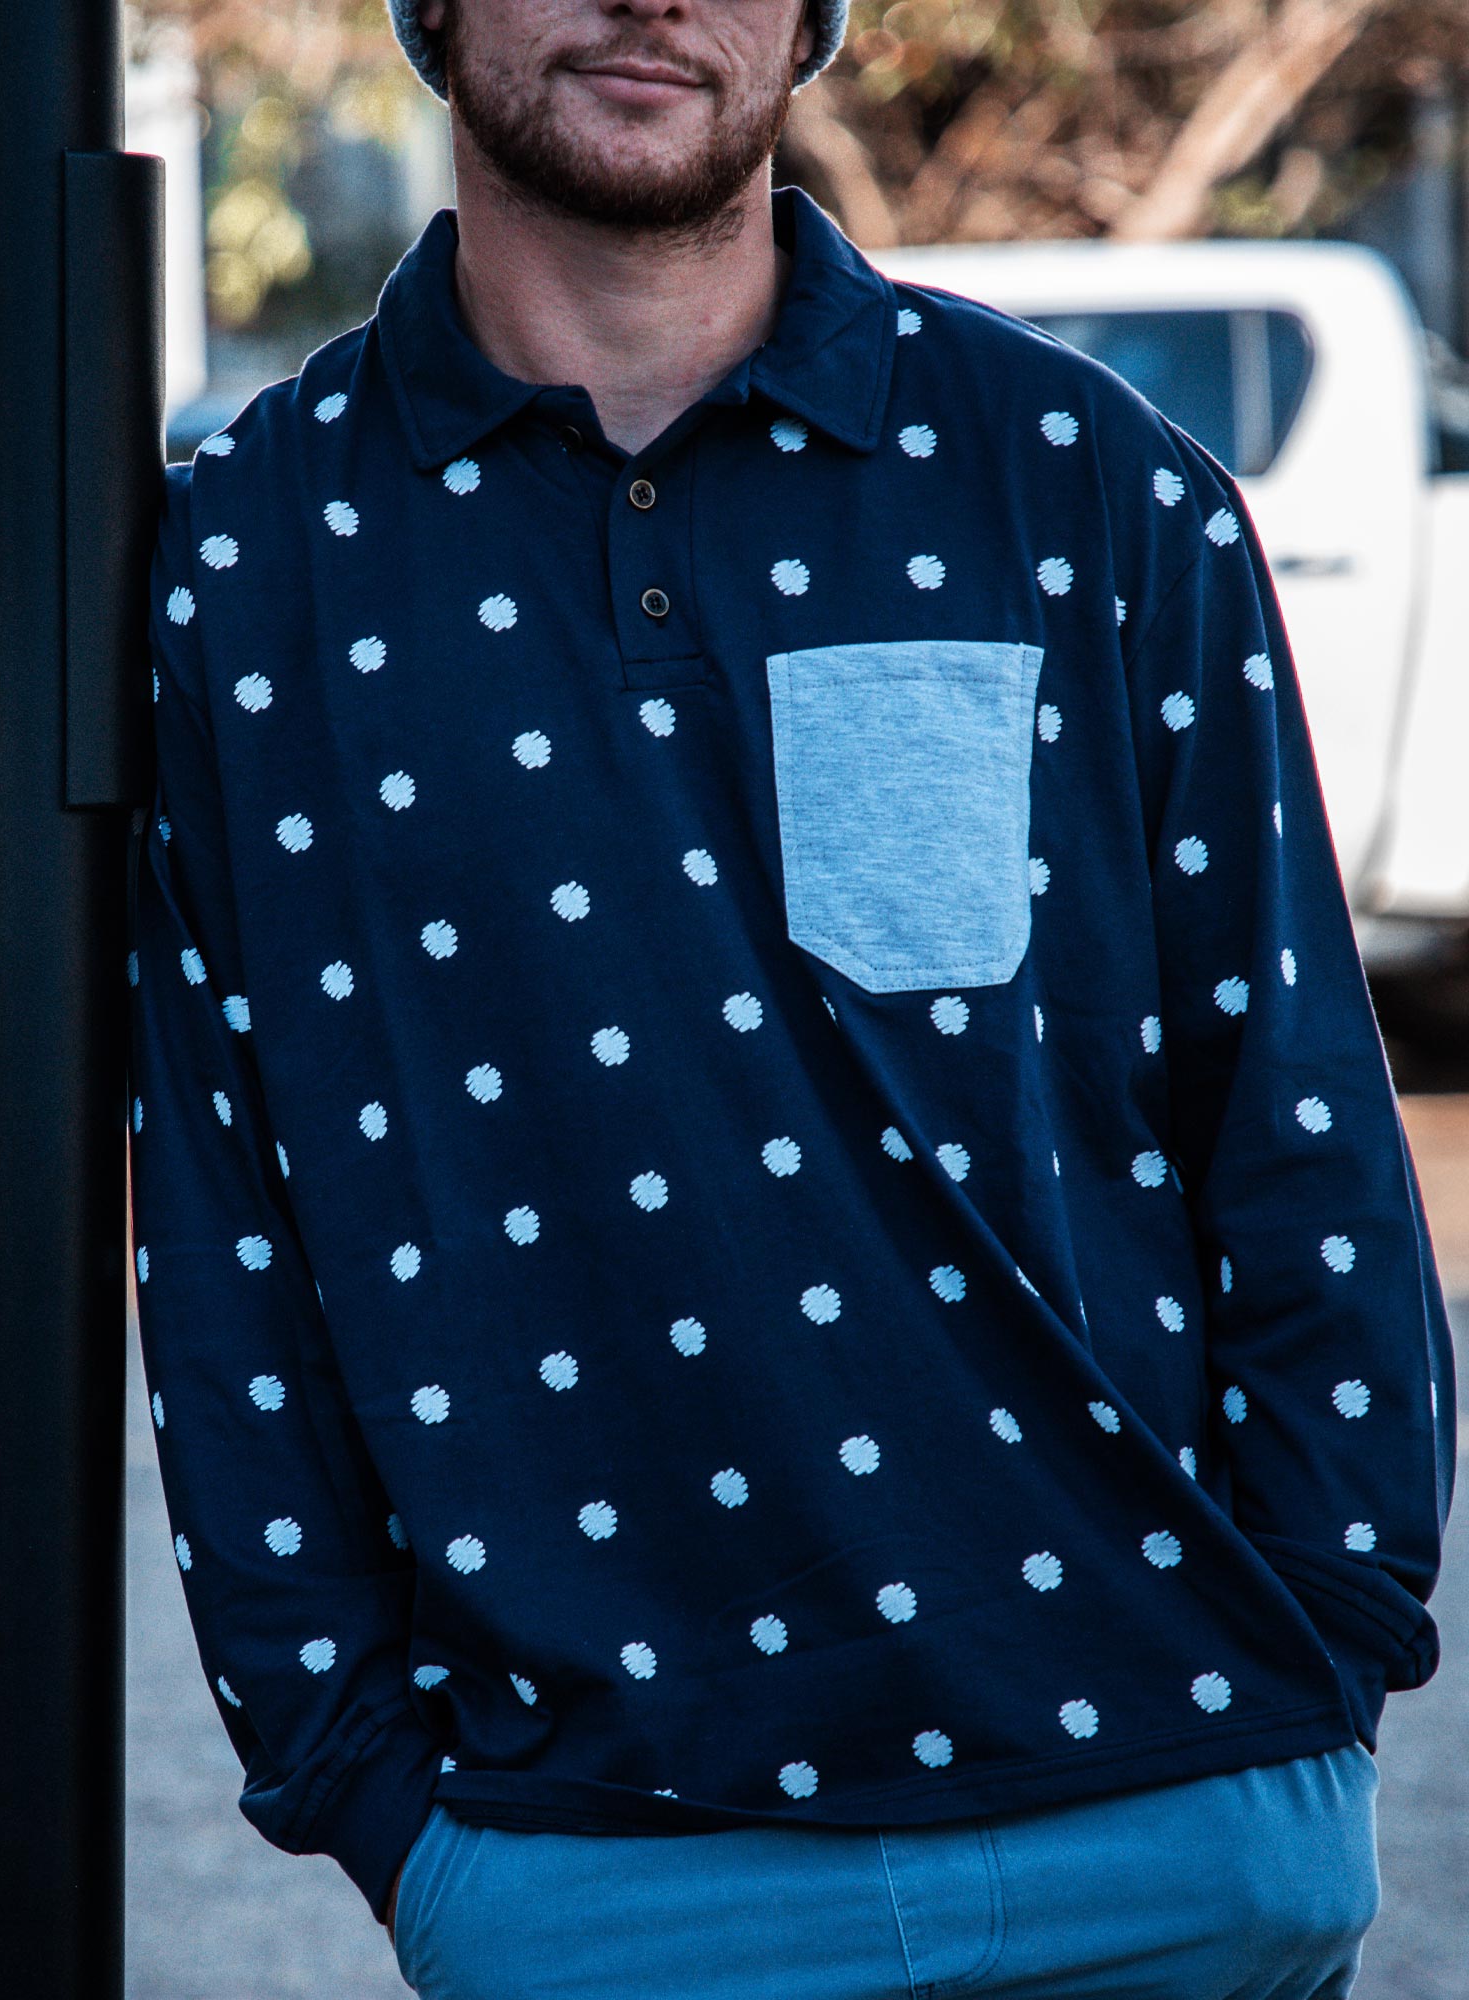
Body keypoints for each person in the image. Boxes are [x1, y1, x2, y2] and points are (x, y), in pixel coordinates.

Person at [123, 0, 1456, 1992]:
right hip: (600, 1880)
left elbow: (1290, 1108)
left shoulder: (1088, 488)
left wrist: (1326, 1644)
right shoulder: (246, 564)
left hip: (1173, 1828)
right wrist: (375, 1792)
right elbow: (219, 1224)